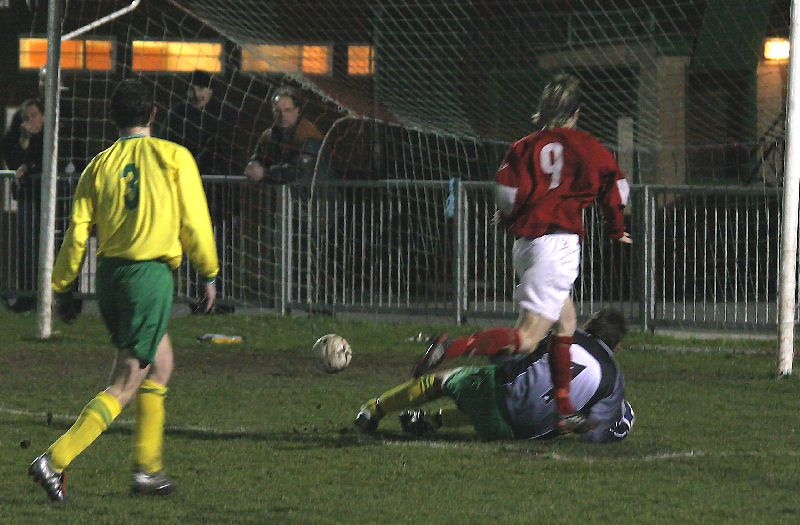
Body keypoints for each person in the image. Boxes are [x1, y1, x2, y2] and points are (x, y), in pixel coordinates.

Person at [27, 79, 219, 502]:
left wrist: (63, 287)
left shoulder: (98, 165)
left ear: (112, 119)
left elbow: (77, 234)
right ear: (154, 114)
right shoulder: (173, 156)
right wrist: (208, 271)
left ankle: (148, 469)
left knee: (161, 363)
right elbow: (194, 218)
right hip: (148, 277)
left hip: (110, 278)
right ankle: (55, 461)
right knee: (125, 381)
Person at [411, 74, 632, 435]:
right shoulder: (589, 147)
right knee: (528, 337)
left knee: (566, 323)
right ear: (577, 113)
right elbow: (617, 187)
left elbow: (507, 197)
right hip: (558, 247)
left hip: (527, 245)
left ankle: (563, 408)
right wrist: (616, 226)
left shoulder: (523, 146)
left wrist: (510, 216)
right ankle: (449, 348)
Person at [355, 308, 634, 443]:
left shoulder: (564, 336)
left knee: (444, 381)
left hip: (494, 397)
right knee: (516, 405)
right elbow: (603, 433)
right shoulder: (612, 380)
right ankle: (431, 420)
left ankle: (373, 410)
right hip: (514, 434)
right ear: (617, 347)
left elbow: (507, 356)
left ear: (588, 325)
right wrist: (624, 419)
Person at [1, 67, 87, 312]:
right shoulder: (27, 113)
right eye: (43, 80)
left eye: (52, 80)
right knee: (29, 244)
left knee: (66, 243)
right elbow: (9, 147)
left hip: (63, 191)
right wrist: (25, 144)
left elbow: (78, 154)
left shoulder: (73, 114)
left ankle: (69, 299)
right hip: (32, 192)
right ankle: (29, 295)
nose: (47, 84)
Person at [243, 86, 327, 184]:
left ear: (297, 110)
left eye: (287, 110)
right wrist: (253, 166)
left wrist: (265, 173)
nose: (282, 116)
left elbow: (298, 171)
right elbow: (258, 157)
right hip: (289, 195)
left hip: (317, 196)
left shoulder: (308, 134)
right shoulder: (269, 135)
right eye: (277, 111)